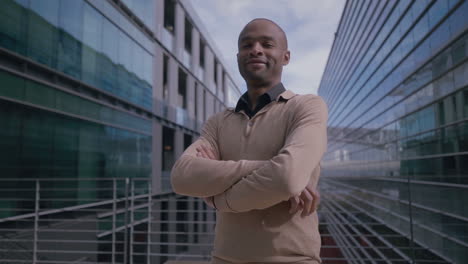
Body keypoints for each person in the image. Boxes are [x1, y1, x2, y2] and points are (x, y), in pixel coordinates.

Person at [171, 18, 328, 264]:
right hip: (224, 259)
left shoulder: (306, 107)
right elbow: (181, 177)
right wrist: (268, 167)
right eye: (247, 45)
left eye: (267, 44)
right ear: (238, 57)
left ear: (286, 57)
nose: (255, 49)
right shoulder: (218, 122)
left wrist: (218, 199)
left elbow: (286, 178)